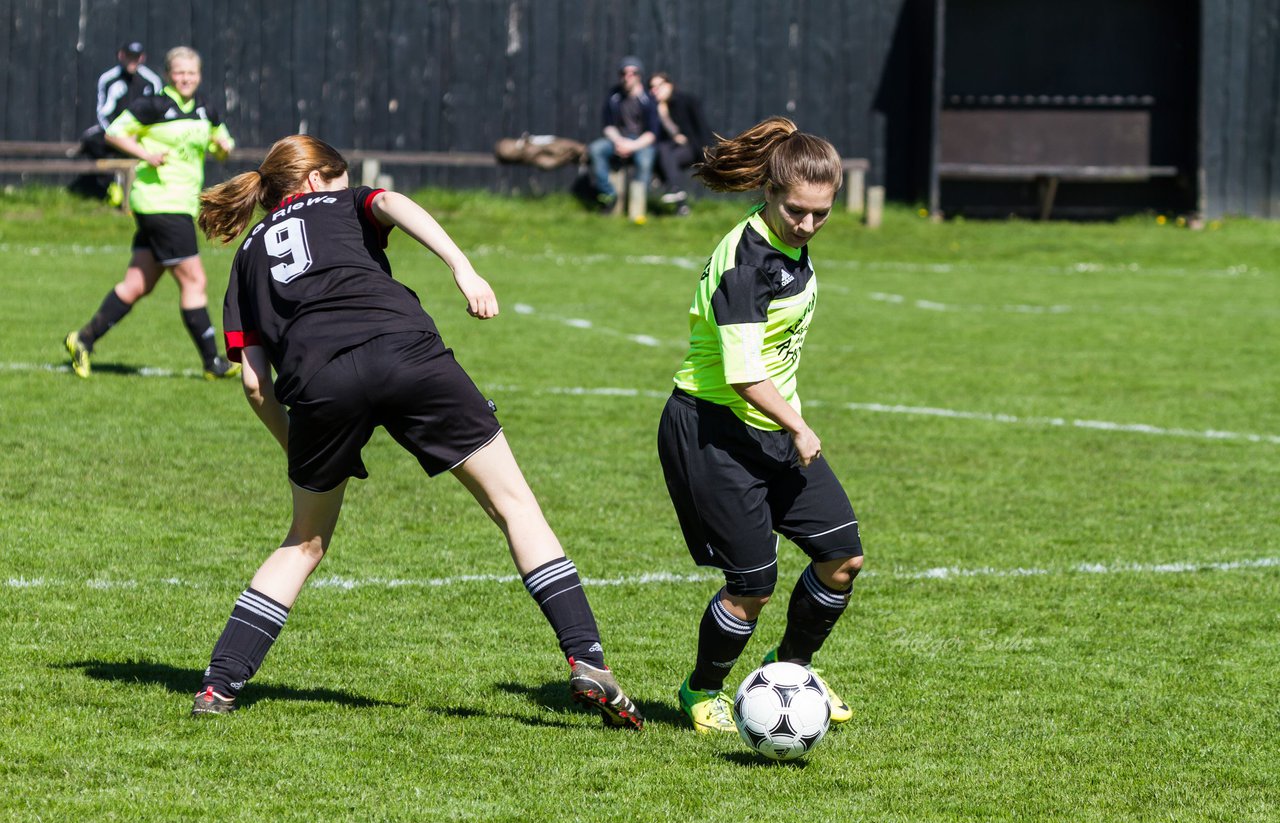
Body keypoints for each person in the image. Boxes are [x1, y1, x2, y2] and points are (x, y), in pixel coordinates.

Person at [188, 134, 644, 731]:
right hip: (405, 351)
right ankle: (587, 657)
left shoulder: (246, 257)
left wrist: (295, 445)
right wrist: (464, 268)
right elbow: (392, 201)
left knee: (303, 543)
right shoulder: (344, 201)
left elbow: (253, 383)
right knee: (516, 507)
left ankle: (219, 685)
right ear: (317, 180)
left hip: (319, 384)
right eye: (341, 178)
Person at [657, 117, 863, 734]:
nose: (807, 225)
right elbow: (745, 375)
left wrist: (789, 426)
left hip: (769, 426)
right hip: (713, 429)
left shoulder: (790, 243)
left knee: (842, 559)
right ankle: (702, 689)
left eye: (821, 214)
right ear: (768, 193)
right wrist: (800, 427)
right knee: (752, 583)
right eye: (797, 211)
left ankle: (790, 670)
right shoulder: (746, 263)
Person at [64, 46, 240, 380]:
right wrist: (145, 153)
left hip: (176, 205)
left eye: (192, 73)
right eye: (179, 72)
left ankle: (83, 339)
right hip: (162, 203)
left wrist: (223, 149)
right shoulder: (154, 104)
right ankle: (212, 363)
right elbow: (114, 133)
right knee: (195, 280)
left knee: (136, 285)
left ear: (198, 75)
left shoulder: (207, 109)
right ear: (169, 74)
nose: (186, 78)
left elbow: (221, 147)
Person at [76, 41, 164, 202]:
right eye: (130, 57)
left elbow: (157, 114)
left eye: (136, 57)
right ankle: (112, 186)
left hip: (140, 136)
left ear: (142, 58)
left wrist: (137, 136)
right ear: (121, 56)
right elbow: (103, 114)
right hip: (114, 134)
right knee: (90, 140)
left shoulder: (152, 81)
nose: (133, 61)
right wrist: (118, 136)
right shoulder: (109, 79)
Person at [586, 56, 660, 215]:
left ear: (639, 75)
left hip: (641, 142)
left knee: (644, 160)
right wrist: (619, 141)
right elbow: (608, 126)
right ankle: (609, 195)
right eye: (624, 73)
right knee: (595, 149)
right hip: (618, 140)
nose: (628, 77)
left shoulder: (648, 99)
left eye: (632, 73)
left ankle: (637, 207)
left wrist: (631, 146)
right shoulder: (614, 96)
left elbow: (652, 133)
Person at [648, 72, 712, 215]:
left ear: (669, 85)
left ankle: (675, 190)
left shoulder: (686, 101)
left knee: (666, 155)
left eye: (658, 86)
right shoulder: (653, 108)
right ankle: (681, 204)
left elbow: (701, 128)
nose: (654, 90)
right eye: (652, 87)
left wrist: (706, 155)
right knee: (665, 153)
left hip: (690, 148)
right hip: (668, 152)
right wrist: (661, 114)